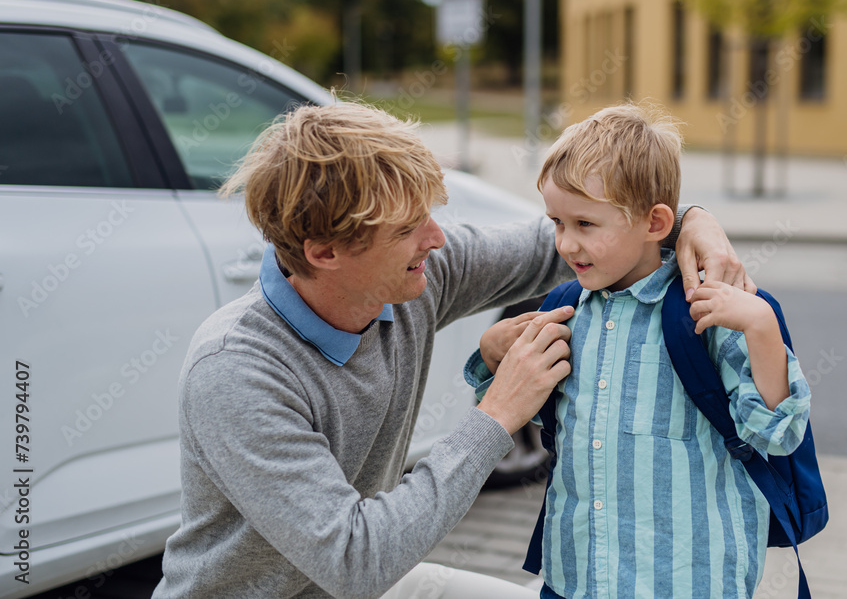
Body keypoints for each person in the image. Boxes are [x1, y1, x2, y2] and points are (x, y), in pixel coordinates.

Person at [151, 101, 752, 599]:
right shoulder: (236, 371)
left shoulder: (416, 273)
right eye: (408, 230)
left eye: (429, 216)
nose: (436, 240)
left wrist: (691, 221)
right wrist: (498, 414)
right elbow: (357, 561)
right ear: (324, 253)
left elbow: (586, 235)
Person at [466, 103, 812, 599]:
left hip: (688, 582)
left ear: (656, 224)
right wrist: (494, 355)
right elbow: (544, 420)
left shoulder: (709, 310)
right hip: (575, 578)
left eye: (585, 224)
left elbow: (777, 436)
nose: (565, 244)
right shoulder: (568, 309)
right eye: (557, 222)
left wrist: (762, 329)